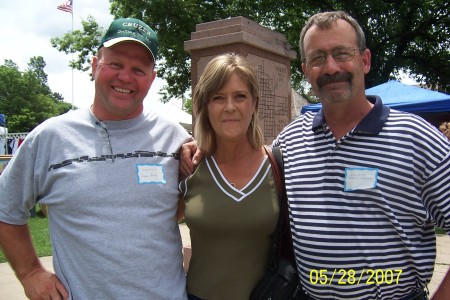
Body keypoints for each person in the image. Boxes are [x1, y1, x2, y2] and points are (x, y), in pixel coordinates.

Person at [181, 11, 450, 300]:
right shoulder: (290, 143)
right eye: (318, 58)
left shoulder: (417, 138)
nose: (331, 67)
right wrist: (197, 146)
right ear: (306, 70)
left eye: (342, 53)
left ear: (365, 60)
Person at [0, 18, 191, 299]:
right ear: (94, 65)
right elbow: (6, 207)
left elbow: (178, 208)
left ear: (152, 77)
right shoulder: (50, 137)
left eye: (138, 69)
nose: (125, 77)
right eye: (115, 64)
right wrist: (30, 273)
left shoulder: (175, 139)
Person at [178, 53, 283, 300]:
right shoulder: (187, 167)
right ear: (205, 105)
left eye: (240, 96)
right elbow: (152, 228)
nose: (229, 107)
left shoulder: (278, 165)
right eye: (218, 98)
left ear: (254, 103)